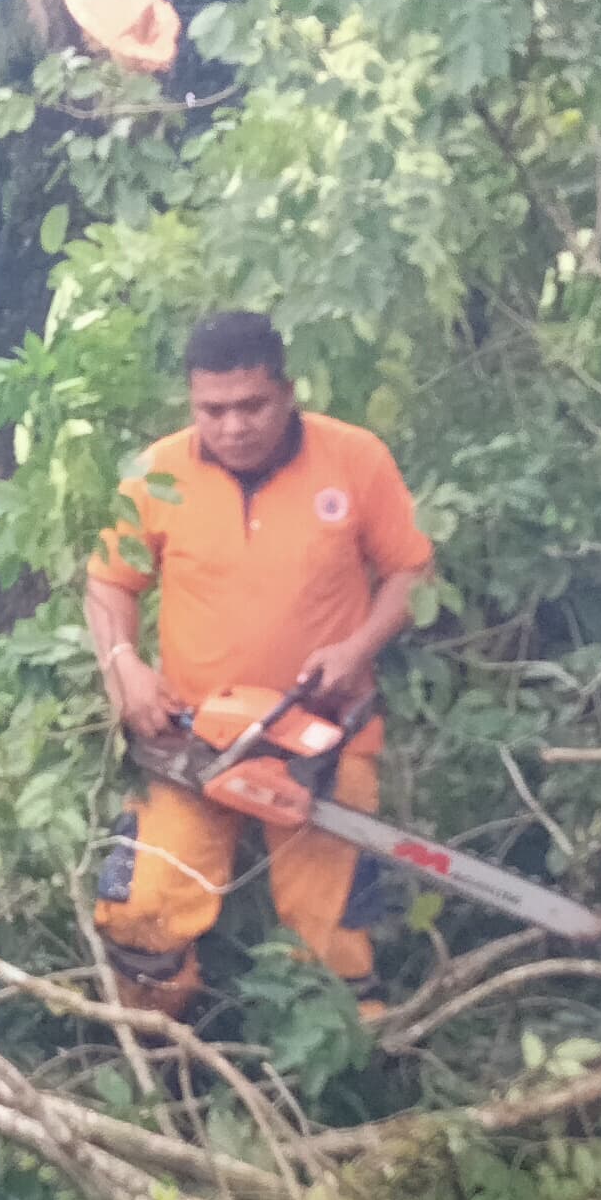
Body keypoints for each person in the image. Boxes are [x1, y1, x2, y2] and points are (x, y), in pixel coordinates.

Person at [84, 311, 435, 1020]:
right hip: (192, 740)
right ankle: (159, 1066)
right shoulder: (159, 473)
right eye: (213, 410)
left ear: (287, 392)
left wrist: (356, 648)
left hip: (321, 738)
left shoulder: (354, 459)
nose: (233, 426)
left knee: (334, 942)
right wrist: (123, 665)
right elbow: (108, 583)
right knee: (140, 914)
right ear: (191, 403)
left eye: (252, 406)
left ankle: (353, 1096)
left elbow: (411, 573)